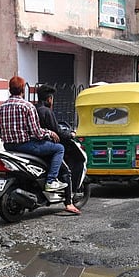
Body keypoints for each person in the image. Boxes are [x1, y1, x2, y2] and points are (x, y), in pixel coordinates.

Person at [0, 75, 66, 193]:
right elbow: (37, 132)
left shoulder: (1, 108)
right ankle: (51, 181)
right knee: (59, 148)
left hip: (8, 146)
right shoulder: (27, 106)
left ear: (9, 90)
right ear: (23, 90)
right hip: (26, 145)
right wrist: (49, 133)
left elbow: (0, 131)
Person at [35, 84, 80, 215]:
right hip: (46, 147)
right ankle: (69, 203)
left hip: (34, 146)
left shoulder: (33, 109)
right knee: (66, 171)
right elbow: (57, 131)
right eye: (52, 98)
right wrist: (71, 135)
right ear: (49, 99)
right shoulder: (47, 112)